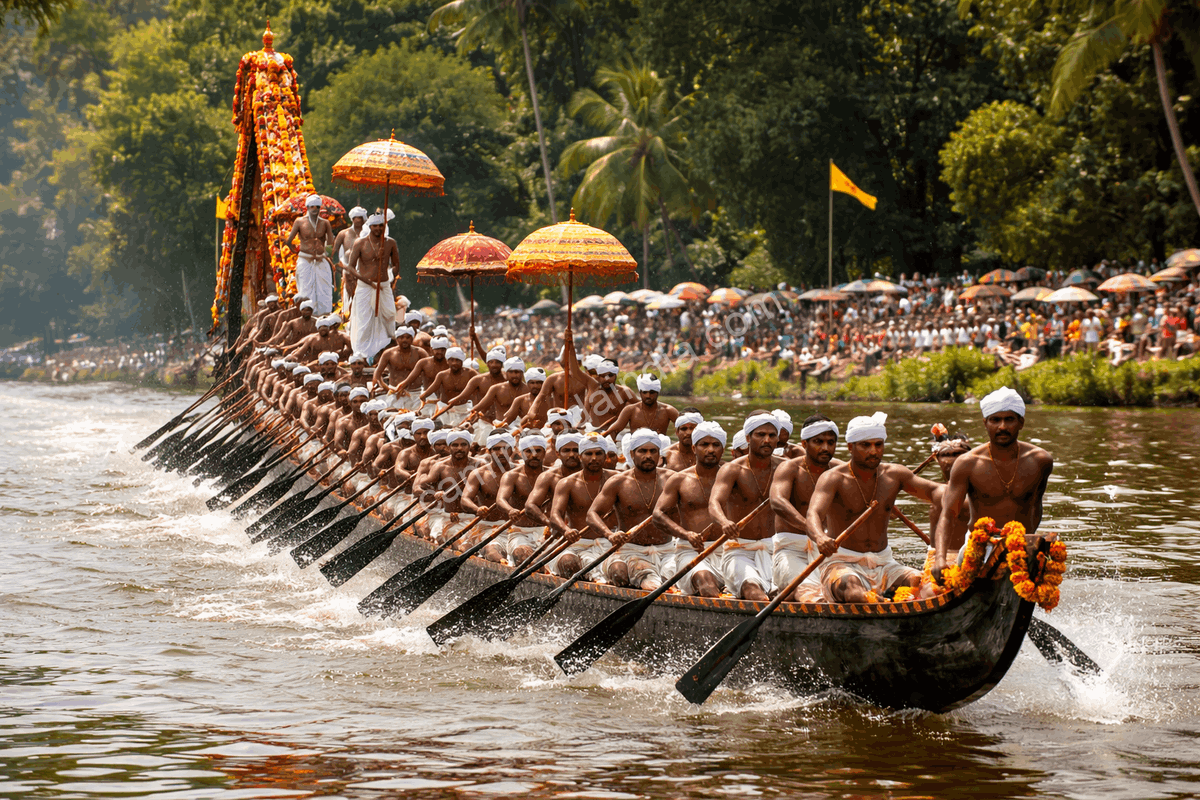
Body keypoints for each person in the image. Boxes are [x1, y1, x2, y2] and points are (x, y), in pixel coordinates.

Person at [805, 412, 940, 602]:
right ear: (851, 447)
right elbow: (813, 514)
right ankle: (883, 605)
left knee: (925, 584)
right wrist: (820, 537)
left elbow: (936, 492)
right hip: (843, 563)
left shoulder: (895, 475)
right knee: (854, 591)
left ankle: (887, 603)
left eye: (878, 444)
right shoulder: (833, 478)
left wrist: (966, 492)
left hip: (884, 563)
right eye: (865, 445)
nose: (874, 451)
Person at [931, 388, 1054, 583]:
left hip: (1020, 547)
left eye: (1009, 420)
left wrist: (1030, 546)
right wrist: (939, 559)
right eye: (995, 420)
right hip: (979, 547)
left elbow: (1035, 507)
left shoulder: (1041, 461)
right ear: (985, 423)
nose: (1002, 426)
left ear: (1021, 422)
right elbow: (948, 515)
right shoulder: (967, 463)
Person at [586, 428, 673, 589]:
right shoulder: (618, 482)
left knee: (675, 581)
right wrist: (610, 535)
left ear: (659, 454)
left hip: (668, 551)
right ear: (632, 454)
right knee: (620, 573)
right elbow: (592, 514)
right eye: (642, 451)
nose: (648, 455)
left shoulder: (672, 479)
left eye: (653, 451)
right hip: (630, 550)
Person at [769, 414, 842, 602]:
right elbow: (777, 502)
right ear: (804, 443)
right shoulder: (789, 469)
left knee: (848, 591)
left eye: (830, 442)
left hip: (827, 549)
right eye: (818, 441)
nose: (825, 448)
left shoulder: (841, 471)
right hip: (791, 549)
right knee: (811, 595)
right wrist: (814, 532)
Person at [709, 414, 782, 600]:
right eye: (761, 434)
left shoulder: (785, 468)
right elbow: (714, 503)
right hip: (739, 550)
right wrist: (724, 522)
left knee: (791, 595)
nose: (767, 440)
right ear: (748, 438)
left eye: (772, 435)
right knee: (754, 593)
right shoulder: (732, 470)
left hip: (777, 550)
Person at [653, 421, 726, 596]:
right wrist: (685, 535)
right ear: (694, 448)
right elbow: (658, 514)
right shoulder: (680, 480)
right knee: (706, 585)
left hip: (730, 551)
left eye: (716, 445)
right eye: (704, 445)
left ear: (723, 449)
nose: (710, 450)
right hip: (691, 552)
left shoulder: (733, 476)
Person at [548, 434, 616, 579]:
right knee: (568, 563)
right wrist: (566, 530)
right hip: (577, 543)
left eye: (598, 453)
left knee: (618, 572)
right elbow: (555, 515)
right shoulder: (567, 483)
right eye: (588, 454)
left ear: (605, 457)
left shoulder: (617, 480)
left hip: (610, 544)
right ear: (580, 456)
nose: (594, 458)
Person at [343, 214, 400, 361]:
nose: (378, 228)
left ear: (384, 227)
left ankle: (384, 350)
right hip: (365, 287)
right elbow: (350, 268)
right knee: (364, 319)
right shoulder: (360, 243)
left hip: (383, 286)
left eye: (381, 225)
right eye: (375, 225)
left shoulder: (390, 243)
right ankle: (362, 354)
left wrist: (389, 275)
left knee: (389, 315)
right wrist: (367, 281)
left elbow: (396, 265)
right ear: (369, 226)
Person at [459, 431, 517, 562]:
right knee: (490, 551)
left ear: (512, 451)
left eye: (505, 449)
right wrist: (476, 509)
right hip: (487, 527)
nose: (501, 453)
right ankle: (502, 563)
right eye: (496, 449)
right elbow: (465, 499)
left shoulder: (521, 473)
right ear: (489, 451)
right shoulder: (479, 474)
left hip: (516, 529)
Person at [495, 433, 551, 566]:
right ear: (521, 453)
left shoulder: (553, 476)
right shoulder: (512, 476)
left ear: (544, 453)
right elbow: (500, 499)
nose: (534, 455)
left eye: (538, 451)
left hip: (548, 533)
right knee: (524, 556)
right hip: (521, 533)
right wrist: (510, 510)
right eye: (529, 451)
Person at [415, 429, 479, 543]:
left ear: (469, 447)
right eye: (455, 445)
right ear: (449, 448)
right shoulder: (440, 467)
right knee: (439, 538)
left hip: (474, 518)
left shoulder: (480, 466)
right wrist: (434, 495)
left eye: (463, 444)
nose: (459, 448)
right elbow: (418, 489)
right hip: (447, 517)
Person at [285, 195, 336, 314]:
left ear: (320, 208)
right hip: (305, 260)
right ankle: (307, 317)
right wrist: (296, 252)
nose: (315, 209)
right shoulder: (299, 222)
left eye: (317, 207)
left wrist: (327, 254)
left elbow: (330, 242)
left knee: (324, 290)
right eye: (312, 206)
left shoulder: (325, 223)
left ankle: (324, 317)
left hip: (320, 260)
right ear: (307, 207)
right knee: (306, 290)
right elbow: (288, 241)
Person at [602, 373, 679, 436]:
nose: (648, 396)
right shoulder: (630, 410)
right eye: (645, 392)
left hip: (659, 449)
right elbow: (617, 426)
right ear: (640, 393)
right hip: (636, 450)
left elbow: (684, 426)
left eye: (652, 393)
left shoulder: (669, 410)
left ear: (657, 393)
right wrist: (602, 435)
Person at [332, 206, 366, 315]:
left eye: (359, 217)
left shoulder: (368, 233)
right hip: (347, 269)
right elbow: (334, 250)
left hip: (364, 269)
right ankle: (349, 316)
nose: (357, 220)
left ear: (363, 219)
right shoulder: (343, 233)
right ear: (352, 219)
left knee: (363, 295)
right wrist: (334, 265)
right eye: (355, 217)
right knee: (350, 294)